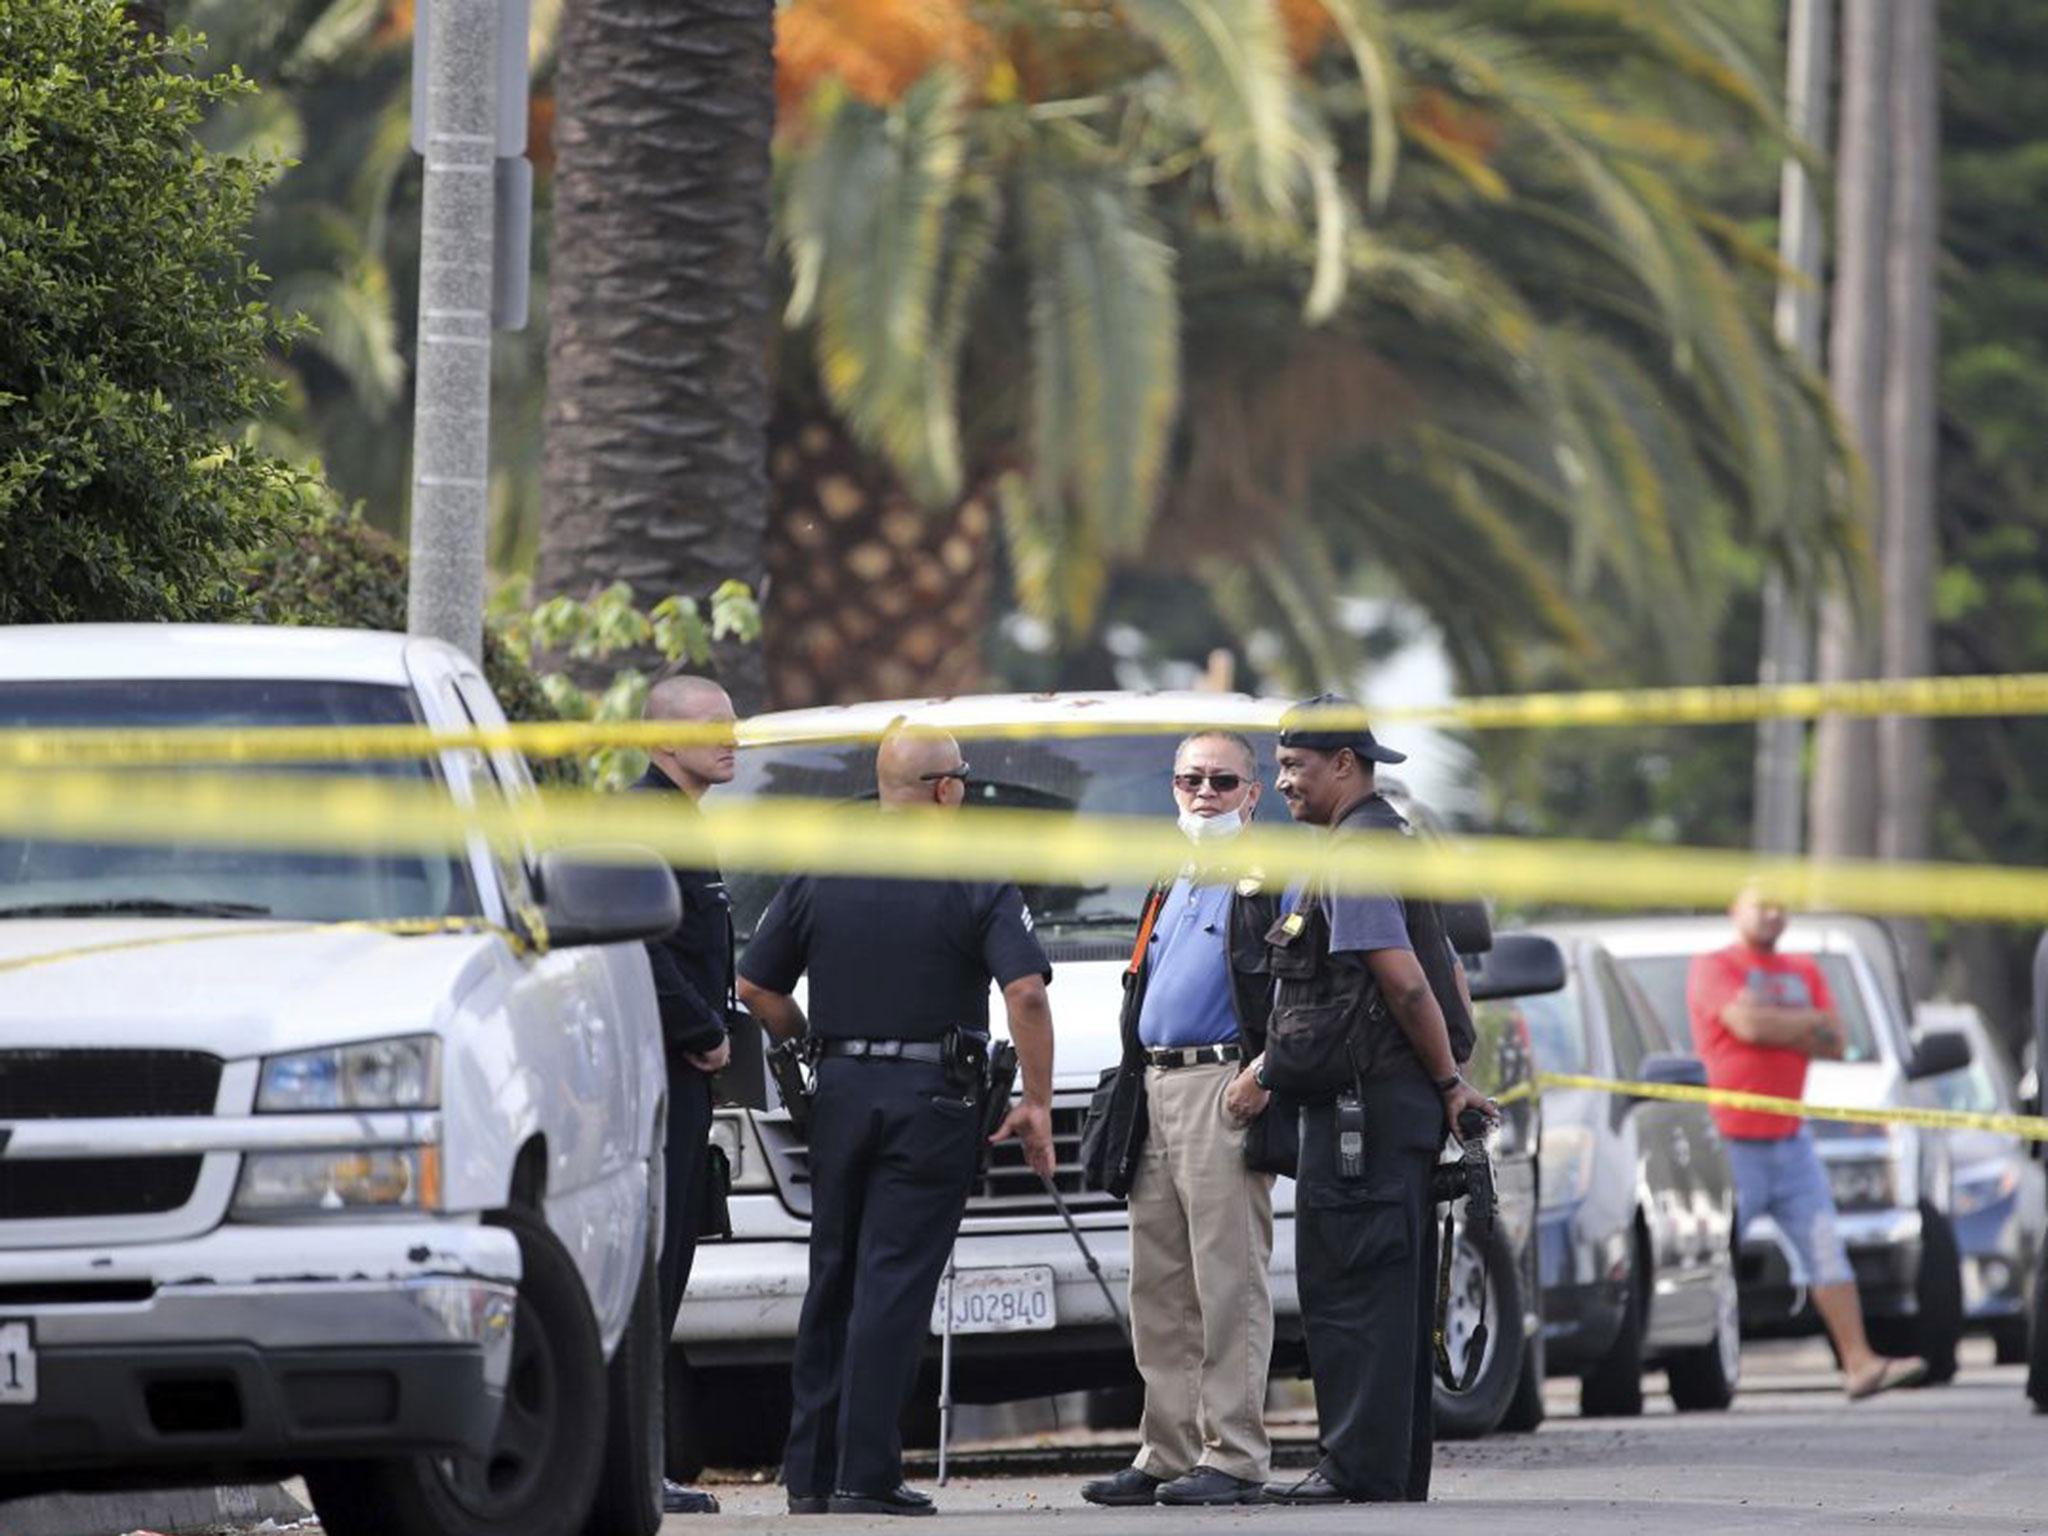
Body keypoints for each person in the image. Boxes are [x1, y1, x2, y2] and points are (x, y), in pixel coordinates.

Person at [736, 724, 1056, 1518]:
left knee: (834, 1276)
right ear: (944, 788)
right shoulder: (973, 870)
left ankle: (809, 1475)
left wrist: (809, 1042)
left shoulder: (826, 862)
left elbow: (756, 988)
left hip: (840, 1095)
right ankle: (865, 1474)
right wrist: (1039, 1103)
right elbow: (1027, 995)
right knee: (893, 1285)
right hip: (932, 1102)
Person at [1257, 695, 1496, 1506]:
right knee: (1386, 1292)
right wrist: (1446, 1078)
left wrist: (1447, 1081)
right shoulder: (1380, 841)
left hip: (1365, 1112)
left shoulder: (1358, 852)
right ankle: (1387, 1472)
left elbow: (1405, 978)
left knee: (1353, 1292)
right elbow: (1449, 969)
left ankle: (1357, 1469)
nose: (1283, 780)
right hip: (1385, 1109)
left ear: (1345, 766)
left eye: (1296, 767)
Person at [1080, 732, 1280, 1510]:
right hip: (1156, 1084)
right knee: (1158, 1284)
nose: (1206, 794)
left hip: (1221, 1085)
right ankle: (1168, 1448)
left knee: (1227, 1278)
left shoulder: (1268, 881)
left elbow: (1308, 988)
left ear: (1252, 793)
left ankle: (1234, 1454)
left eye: (1223, 782)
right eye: (1191, 780)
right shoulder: (1176, 874)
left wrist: (1263, 1073)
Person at [1686, 887, 1927, 1399]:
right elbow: (1745, 1023)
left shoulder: (1804, 969)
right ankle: (1692, 1371)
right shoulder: (1715, 966)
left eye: (1780, 905)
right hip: (1731, 1140)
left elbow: (1836, 1040)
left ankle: (1859, 1364)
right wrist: (1803, 1023)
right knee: (1714, 1258)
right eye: (1761, 904)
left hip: (1792, 1142)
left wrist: (1774, 1026)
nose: (1773, 914)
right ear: (1736, 910)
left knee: (1825, 1251)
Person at [632, 673, 740, 1516]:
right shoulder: (645, 820)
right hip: (659, 1076)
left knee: (669, 1269)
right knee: (651, 1269)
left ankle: (640, 1463)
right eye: (711, 726)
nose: (729, 739)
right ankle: (637, 1469)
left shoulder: (684, 821)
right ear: (661, 742)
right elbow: (643, 946)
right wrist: (703, 1030)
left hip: (682, 1078)